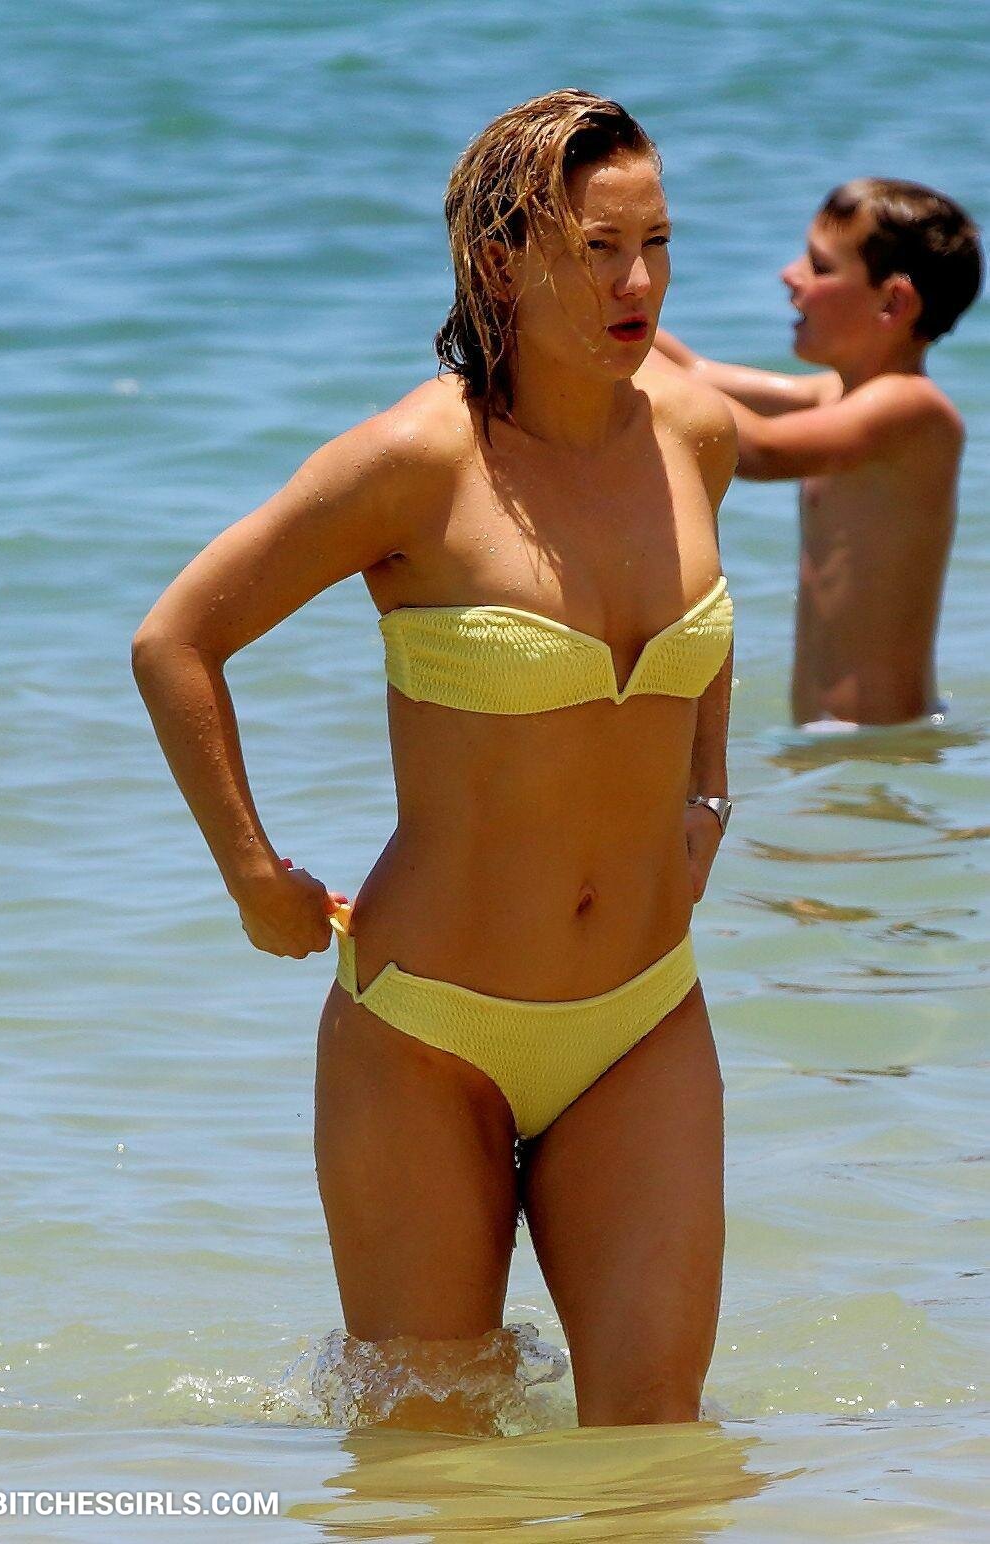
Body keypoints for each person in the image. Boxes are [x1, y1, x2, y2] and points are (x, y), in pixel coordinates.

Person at [132, 89, 738, 1430]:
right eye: (597, 248)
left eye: (656, 243)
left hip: (643, 1016)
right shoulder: (417, 461)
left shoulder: (694, 433)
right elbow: (177, 641)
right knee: (430, 1461)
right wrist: (253, 873)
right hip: (427, 1035)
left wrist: (709, 789)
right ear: (501, 263)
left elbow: (702, 619)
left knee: (659, 1450)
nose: (638, 284)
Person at [649, 178, 983, 730]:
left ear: (892, 302)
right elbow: (695, 371)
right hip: (842, 740)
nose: (790, 274)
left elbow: (760, 450)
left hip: (881, 739)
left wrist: (634, 364)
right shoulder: (836, 394)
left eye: (820, 267)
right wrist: (602, 313)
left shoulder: (911, 409)